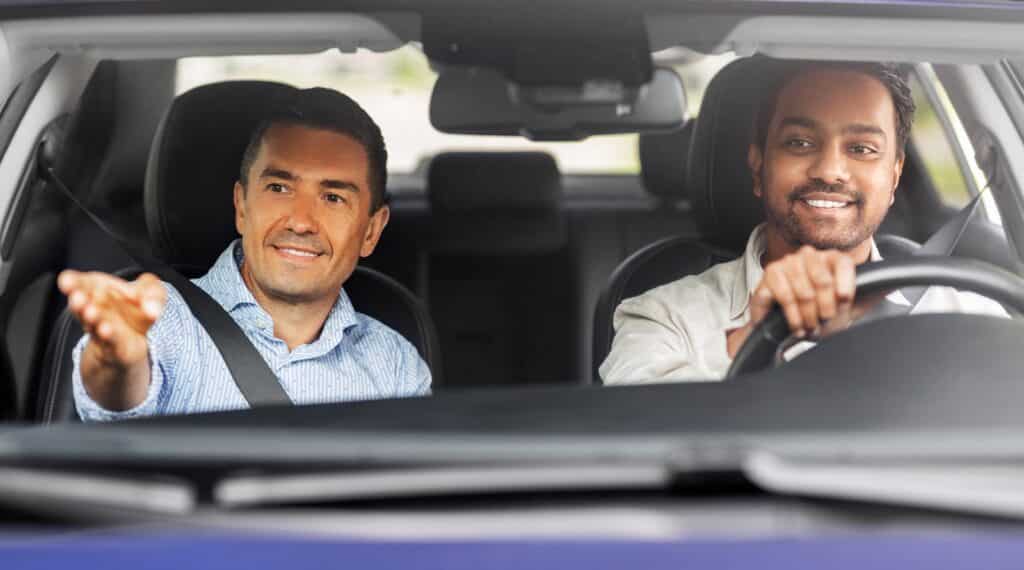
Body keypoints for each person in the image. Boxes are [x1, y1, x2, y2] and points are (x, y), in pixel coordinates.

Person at [600, 60, 1006, 383]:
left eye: (862, 148)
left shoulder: (970, 314)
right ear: (758, 165)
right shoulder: (665, 317)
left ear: (894, 175)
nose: (830, 171)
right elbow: (633, 434)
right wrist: (754, 343)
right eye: (799, 143)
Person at [58, 87, 431, 421]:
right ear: (241, 205)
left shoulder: (394, 364)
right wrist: (117, 359)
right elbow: (117, 393)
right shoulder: (161, 320)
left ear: (370, 230)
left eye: (333, 198)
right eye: (279, 188)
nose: (301, 223)